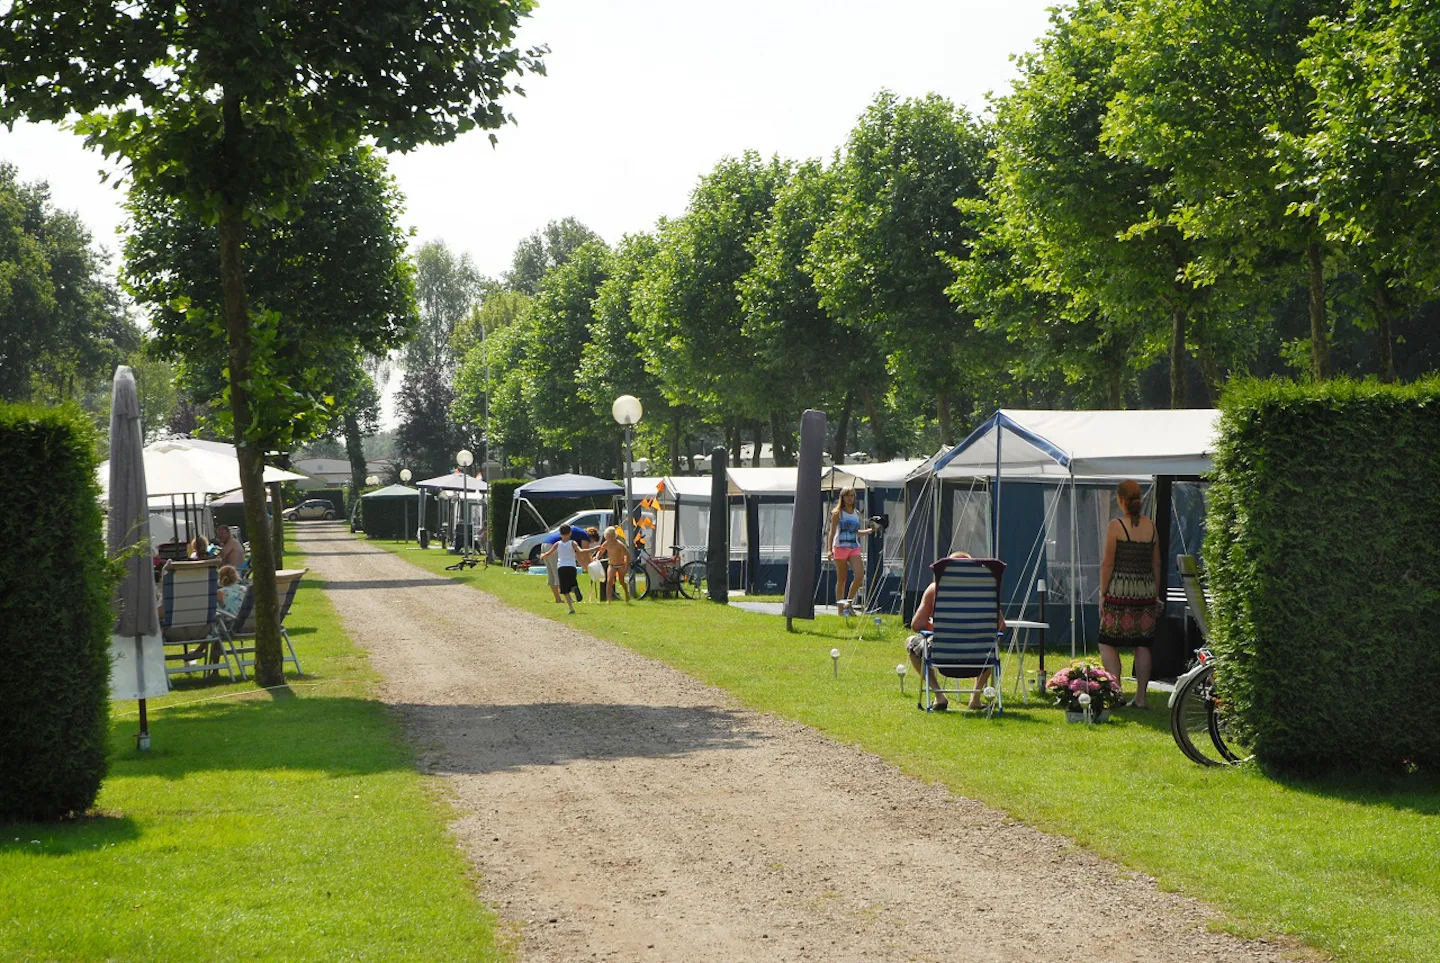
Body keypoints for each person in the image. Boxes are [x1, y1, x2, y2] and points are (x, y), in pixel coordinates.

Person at [905, 551, 1005, 711]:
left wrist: (942, 630)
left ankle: (939, 695)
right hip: (978, 658)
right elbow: (1001, 626)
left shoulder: (935, 589)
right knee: (992, 643)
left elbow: (917, 625)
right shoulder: (986, 590)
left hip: (943, 656)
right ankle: (976, 697)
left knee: (911, 642)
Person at [1098, 479, 1162, 708]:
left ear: (1121, 500)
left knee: (1107, 642)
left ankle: (1116, 693)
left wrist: (1103, 593)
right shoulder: (1151, 526)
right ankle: (1142, 698)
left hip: (1120, 590)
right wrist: (1154, 594)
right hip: (1145, 591)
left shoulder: (1116, 525)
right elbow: (1157, 564)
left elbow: (1108, 563)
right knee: (1143, 644)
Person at [827, 488, 873, 614]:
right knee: (842, 579)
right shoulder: (838, 513)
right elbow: (831, 533)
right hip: (840, 547)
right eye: (847, 495)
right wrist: (829, 550)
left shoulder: (856, 513)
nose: (850, 498)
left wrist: (870, 530)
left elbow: (856, 532)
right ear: (843, 497)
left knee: (859, 575)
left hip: (854, 547)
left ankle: (849, 602)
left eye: (852, 495)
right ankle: (841, 610)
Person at [539, 524, 592, 614]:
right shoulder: (576, 540)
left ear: (560, 533)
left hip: (550, 550)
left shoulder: (558, 543)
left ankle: (563, 602)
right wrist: (586, 565)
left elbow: (549, 553)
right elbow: (581, 552)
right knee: (567, 581)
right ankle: (573, 591)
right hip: (571, 566)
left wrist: (542, 555)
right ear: (570, 533)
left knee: (556, 579)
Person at [599, 526, 631, 603]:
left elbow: (628, 554)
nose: (610, 539)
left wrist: (626, 565)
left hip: (621, 565)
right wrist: (597, 557)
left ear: (615, 536)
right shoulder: (606, 543)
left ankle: (627, 593)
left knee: (621, 581)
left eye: (612, 537)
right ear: (606, 537)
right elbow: (600, 551)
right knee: (609, 581)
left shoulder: (619, 544)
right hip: (612, 565)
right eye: (608, 537)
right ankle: (608, 600)